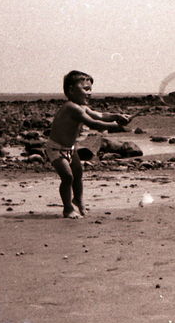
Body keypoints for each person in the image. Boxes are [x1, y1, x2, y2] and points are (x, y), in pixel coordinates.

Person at [45, 70, 130, 218]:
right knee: (67, 177)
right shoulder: (71, 107)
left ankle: (78, 199)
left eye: (90, 89)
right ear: (71, 90)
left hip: (71, 148)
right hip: (56, 149)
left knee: (78, 175)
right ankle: (68, 208)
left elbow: (100, 115)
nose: (89, 93)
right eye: (85, 89)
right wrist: (117, 126)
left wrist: (117, 116)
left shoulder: (82, 107)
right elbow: (94, 123)